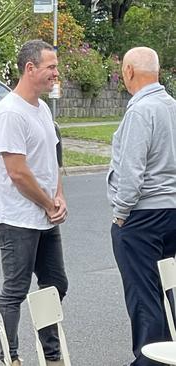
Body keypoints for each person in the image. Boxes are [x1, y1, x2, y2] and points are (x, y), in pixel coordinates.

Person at [0, 39, 68, 366]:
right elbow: (17, 173)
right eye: (51, 67)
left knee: (55, 283)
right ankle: (10, 358)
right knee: (15, 291)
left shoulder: (42, 108)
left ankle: (51, 354)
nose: (56, 74)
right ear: (30, 68)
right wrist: (48, 203)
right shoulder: (9, 112)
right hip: (17, 219)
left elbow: (51, 160)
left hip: (45, 215)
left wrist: (58, 196)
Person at [108, 46, 176, 366]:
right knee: (171, 286)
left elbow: (131, 173)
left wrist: (121, 214)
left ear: (129, 72)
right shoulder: (172, 106)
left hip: (143, 215)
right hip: (173, 210)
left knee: (144, 293)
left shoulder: (140, 111)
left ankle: (150, 359)